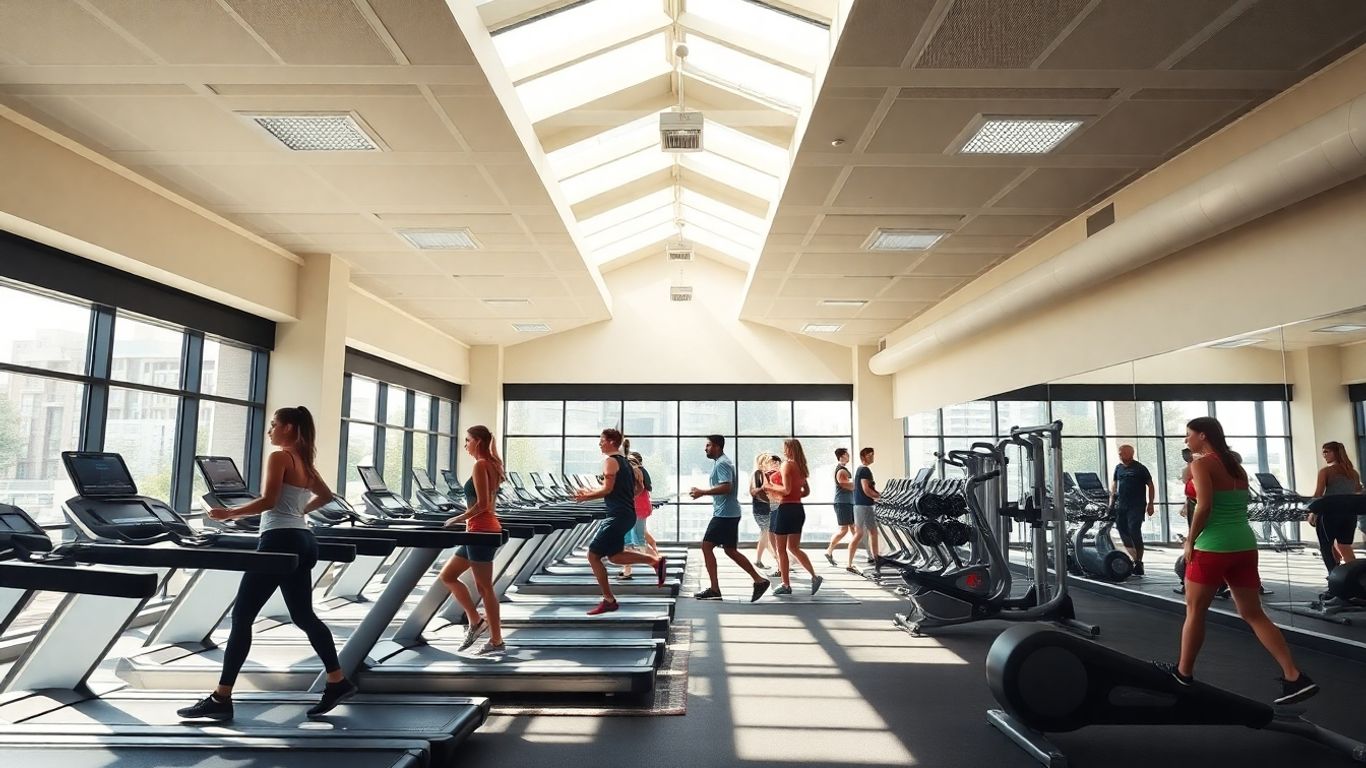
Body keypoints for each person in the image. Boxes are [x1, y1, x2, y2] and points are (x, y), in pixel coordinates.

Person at [178, 406, 354, 720]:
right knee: (303, 615)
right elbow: (326, 495)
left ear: (288, 427)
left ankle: (221, 699)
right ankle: (337, 680)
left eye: (273, 425)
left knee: (242, 616)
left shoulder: (280, 457)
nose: (269, 430)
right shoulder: (305, 462)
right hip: (303, 539)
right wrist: (299, 512)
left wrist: (227, 514)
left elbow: (269, 502)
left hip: (279, 540)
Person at [1154, 416, 1317, 705]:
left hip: (1212, 547)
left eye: (1188, 434)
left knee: (1195, 611)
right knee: (1254, 614)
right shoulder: (1235, 466)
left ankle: (1183, 674)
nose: (1186, 440)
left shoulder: (1201, 464)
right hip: (1243, 545)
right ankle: (1294, 676)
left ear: (1202, 435)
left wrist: (1190, 539)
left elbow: (1204, 505)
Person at [574, 429, 666, 615]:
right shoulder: (626, 464)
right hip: (626, 514)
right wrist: (600, 492)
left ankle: (609, 600)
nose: (599, 444)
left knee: (593, 556)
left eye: (601, 440)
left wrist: (586, 497)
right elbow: (638, 488)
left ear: (611, 442)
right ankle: (654, 561)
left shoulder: (609, 461)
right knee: (615, 556)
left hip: (617, 516)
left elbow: (607, 489)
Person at [437, 425, 506, 657]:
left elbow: (484, 504)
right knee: (447, 576)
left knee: (485, 588)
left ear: (477, 441)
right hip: (478, 530)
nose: (465, 445)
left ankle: (496, 640)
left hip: (481, 532)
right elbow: (486, 503)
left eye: (467, 440)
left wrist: (456, 518)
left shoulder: (480, 465)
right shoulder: (493, 464)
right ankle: (475, 621)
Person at [690, 435, 771, 602]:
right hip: (728, 513)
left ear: (718, 446)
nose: (705, 448)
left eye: (708, 445)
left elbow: (727, 487)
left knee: (706, 547)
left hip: (725, 514)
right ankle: (759, 580)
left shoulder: (722, 463)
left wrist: (702, 492)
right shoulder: (721, 463)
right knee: (730, 550)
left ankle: (715, 589)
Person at [765, 438, 822, 596]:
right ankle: (814, 576)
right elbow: (805, 492)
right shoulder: (802, 467)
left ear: (790, 449)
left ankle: (786, 584)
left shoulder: (787, 464)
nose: (783, 450)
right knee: (794, 548)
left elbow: (786, 490)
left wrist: (769, 486)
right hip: (798, 509)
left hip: (785, 509)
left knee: (781, 549)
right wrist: (794, 494)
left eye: (785, 448)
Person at [1308, 441, 1363, 571]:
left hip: (1330, 514)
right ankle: (1355, 578)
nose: (1324, 455)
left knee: (1326, 547)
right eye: (1323, 452)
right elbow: (1356, 490)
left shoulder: (1325, 471)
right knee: (1344, 546)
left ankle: (1333, 581)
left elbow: (1318, 494)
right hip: (1349, 515)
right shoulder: (1353, 473)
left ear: (1336, 453)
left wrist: (1312, 512)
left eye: (1327, 451)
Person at [1109, 444, 1156, 576]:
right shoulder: (1118, 468)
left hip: (1136, 506)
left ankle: (1139, 560)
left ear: (1130, 454)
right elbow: (1114, 484)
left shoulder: (1140, 468)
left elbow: (1150, 485)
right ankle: (1135, 560)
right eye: (1119, 453)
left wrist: (1151, 503)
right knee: (1122, 530)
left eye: (1121, 453)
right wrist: (1111, 502)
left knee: (1134, 530)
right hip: (1121, 506)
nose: (1119, 455)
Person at [618, 453, 656, 580]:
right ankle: (627, 571)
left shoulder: (634, 473)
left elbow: (633, 492)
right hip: (632, 509)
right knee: (627, 540)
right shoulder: (637, 472)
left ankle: (659, 562)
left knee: (639, 541)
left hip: (636, 509)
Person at [846, 447, 882, 572]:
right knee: (860, 533)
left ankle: (876, 559)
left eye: (873, 455)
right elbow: (866, 489)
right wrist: (880, 496)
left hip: (865, 505)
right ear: (863, 457)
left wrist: (878, 494)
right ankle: (849, 564)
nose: (872, 457)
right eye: (869, 455)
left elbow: (867, 489)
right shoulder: (864, 470)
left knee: (873, 532)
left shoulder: (861, 470)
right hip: (863, 505)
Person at [825, 448, 855, 566]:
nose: (849, 456)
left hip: (847, 502)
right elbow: (844, 484)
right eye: (847, 454)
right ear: (842, 456)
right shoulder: (841, 470)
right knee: (844, 530)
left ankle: (864, 554)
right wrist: (859, 484)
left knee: (853, 529)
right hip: (842, 503)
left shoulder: (843, 469)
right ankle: (829, 551)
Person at [748, 452, 775, 570]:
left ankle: (778, 558)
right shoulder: (758, 474)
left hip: (762, 508)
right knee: (766, 533)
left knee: (766, 534)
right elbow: (755, 492)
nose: (771, 464)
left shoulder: (761, 474)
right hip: (761, 509)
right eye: (768, 461)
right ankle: (758, 560)